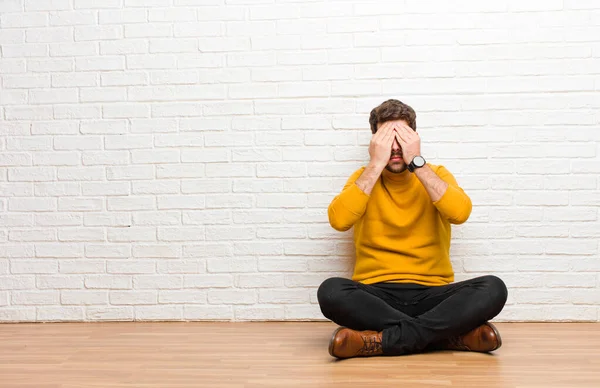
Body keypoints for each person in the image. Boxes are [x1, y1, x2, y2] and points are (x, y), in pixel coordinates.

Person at [318, 99, 508, 359]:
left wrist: (417, 164)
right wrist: (375, 164)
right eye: (387, 139)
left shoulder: (436, 174)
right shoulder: (363, 177)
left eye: (402, 138)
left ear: (415, 139)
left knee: (494, 288)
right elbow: (339, 221)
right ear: (374, 142)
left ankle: (379, 340)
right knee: (331, 291)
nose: (395, 147)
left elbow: (460, 213)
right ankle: (448, 336)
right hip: (377, 294)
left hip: (433, 293)